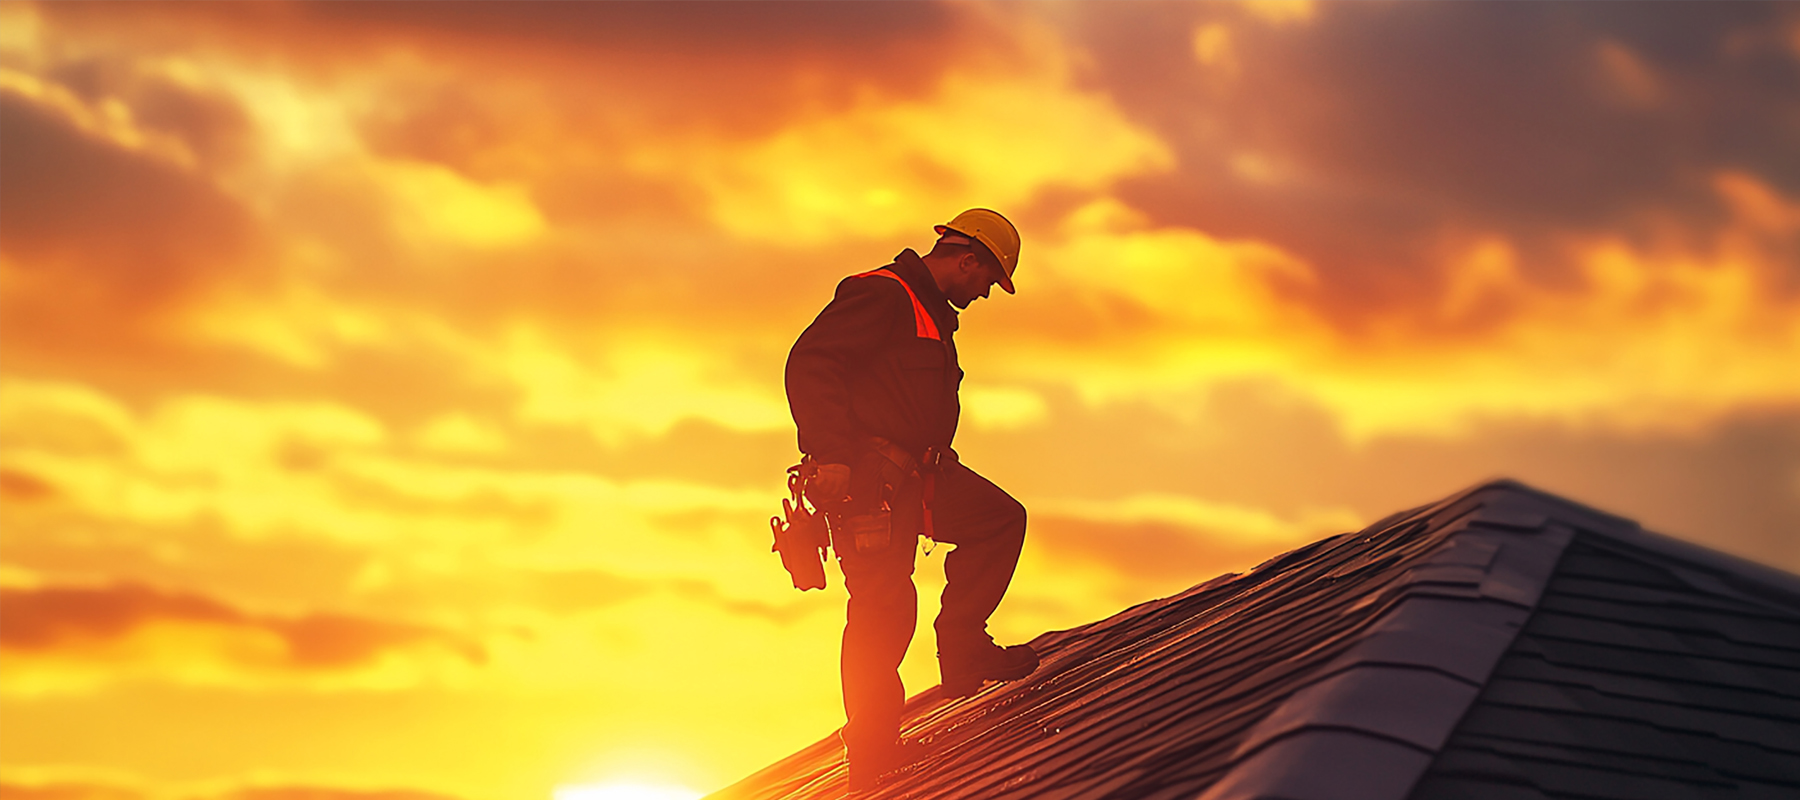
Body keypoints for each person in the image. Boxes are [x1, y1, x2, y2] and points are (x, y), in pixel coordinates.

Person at [784, 209, 1039, 791]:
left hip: (919, 476)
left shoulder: (930, 313)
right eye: (987, 280)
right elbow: (811, 362)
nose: (985, 293)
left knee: (999, 520)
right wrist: (832, 454)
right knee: (883, 608)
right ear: (967, 260)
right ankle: (873, 754)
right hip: (869, 482)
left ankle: (964, 648)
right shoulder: (884, 293)